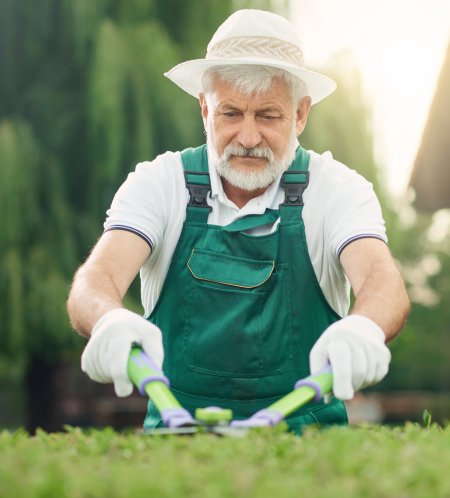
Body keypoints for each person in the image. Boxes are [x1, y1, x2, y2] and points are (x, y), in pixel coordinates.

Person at [67, 9, 410, 433]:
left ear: (300, 114)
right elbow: (95, 278)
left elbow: (383, 279)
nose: (248, 138)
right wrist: (108, 318)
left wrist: (364, 326)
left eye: (268, 116)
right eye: (231, 114)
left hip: (312, 445)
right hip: (178, 440)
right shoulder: (159, 182)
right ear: (204, 109)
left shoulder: (337, 188)